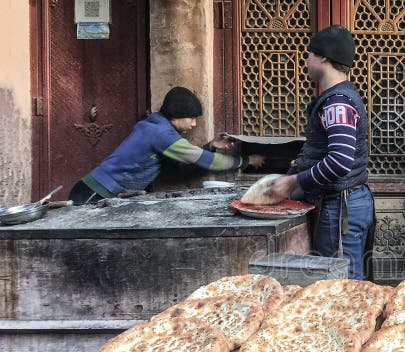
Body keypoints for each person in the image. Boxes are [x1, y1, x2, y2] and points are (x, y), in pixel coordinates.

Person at [265, 25, 374, 280]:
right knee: (341, 286)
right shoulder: (339, 98)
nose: (306, 61)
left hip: (340, 208)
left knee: (341, 290)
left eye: (309, 54)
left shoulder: (337, 103)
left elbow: (340, 160)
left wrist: (293, 181)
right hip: (341, 203)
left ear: (323, 57)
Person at [68, 86, 264, 204]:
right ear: (177, 115)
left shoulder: (156, 125)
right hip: (94, 193)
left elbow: (181, 160)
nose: (194, 124)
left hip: (98, 191)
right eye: (192, 118)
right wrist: (245, 161)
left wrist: (211, 145)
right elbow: (209, 162)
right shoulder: (161, 134)